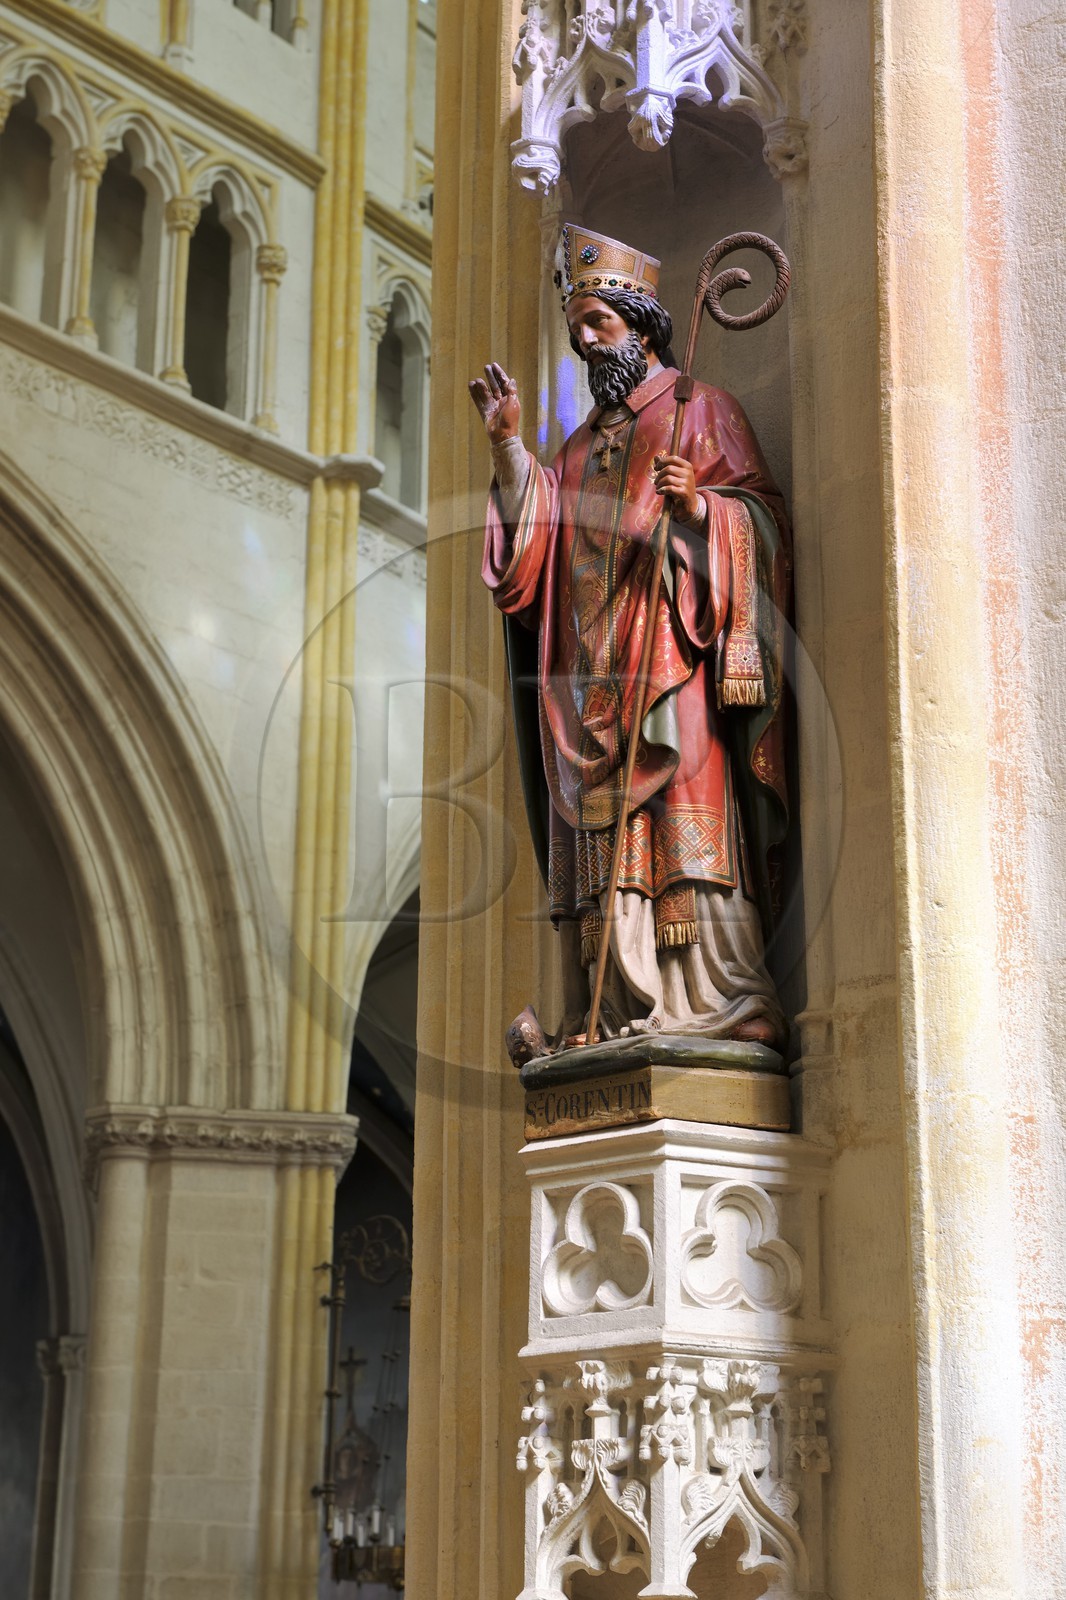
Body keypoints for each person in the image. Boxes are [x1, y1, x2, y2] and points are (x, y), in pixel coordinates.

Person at [469, 225, 791, 1054]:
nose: (583, 339)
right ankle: (608, 1015)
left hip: (671, 663)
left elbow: (760, 521)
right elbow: (533, 561)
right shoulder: (575, 450)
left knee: (685, 800)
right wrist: (509, 448)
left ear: (640, 324)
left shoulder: (703, 410)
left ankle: (721, 999)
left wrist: (701, 512)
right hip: (590, 682)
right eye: (576, 325)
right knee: (601, 837)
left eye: (598, 322)